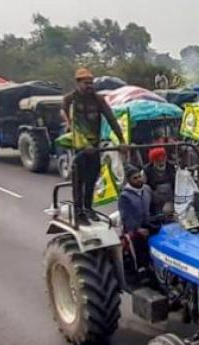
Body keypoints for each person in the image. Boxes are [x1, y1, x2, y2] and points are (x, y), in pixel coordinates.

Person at [62, 68, 126, 225]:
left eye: (91, 83)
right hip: (79, 146)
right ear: (78, 83)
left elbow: (111, 119)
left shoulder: (98, 100)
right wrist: (82, 144)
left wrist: (122, 141)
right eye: (86, 83)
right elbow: (72, 123)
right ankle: (78, 212)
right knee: (78, 180)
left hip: (95, 146)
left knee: (91, 179)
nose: (89, 86)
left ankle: (88, 208)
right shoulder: (70, 100)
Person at [118, 164, 157, 273]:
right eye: (135, 178)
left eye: (139, 176)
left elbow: (154, 207)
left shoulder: (147, 189)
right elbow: (126, 216)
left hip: (147, 223)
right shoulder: (124, 196)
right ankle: (140, 269)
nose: (139, 179)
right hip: (133, 229)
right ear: (129, 180)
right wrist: (137, 229)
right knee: (138, 245)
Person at [143, 147, 175, 215]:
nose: (161, 162)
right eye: (157, 160)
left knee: (167, 211)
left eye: (162, 159)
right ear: (153, 161)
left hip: (169, 197)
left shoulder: (172, 167)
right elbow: (143, 186)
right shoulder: (146, 170)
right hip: (154, 197)